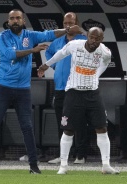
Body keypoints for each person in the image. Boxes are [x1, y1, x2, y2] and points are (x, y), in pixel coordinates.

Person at [0, 9, 82, 174]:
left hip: (23, 89)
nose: (15, 21)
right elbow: (10, 55)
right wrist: (33, 50)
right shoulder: (3, 37)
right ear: (8, 21)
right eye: (12, 18)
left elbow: (48, 35)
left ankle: (33, 165)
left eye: (18, 18)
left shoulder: (29, 36)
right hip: (4, 87)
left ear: (23, 20)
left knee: (27, 126)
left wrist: (66, 30)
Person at [37, 27, 120, 174]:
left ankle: (106, 165)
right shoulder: (75, 45)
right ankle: (63, 165)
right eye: (92, 37)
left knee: (102, 128)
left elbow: (105, 63)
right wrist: (46, 65)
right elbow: (60, 54)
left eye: (98, 39)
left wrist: (96, 75)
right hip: (74, 92)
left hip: (93, 93)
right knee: (68, 130)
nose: (94, 41)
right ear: (87, 36)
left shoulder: (105, 52)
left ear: (102, 40)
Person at [45, 12, 88, 164]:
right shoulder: (58, 41)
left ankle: (80, 155)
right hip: (60, 87)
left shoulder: (83, 40)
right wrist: (56, 65)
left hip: (77, 87)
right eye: (65, 23)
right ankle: (63, 155)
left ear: (77, 23)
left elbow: (96, 46)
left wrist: (82, 31)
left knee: (79, 121)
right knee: (62, 122)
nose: (68, 26)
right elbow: (49, 52)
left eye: (71, 23)